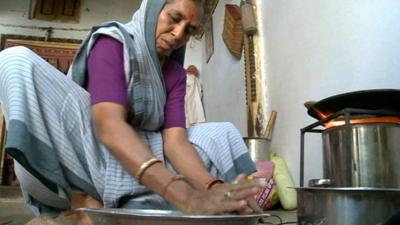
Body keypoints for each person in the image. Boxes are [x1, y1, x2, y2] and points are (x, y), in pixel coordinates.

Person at [0, 0, 263, 223]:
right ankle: (79, 201)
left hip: (142, 151)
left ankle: (128, 200)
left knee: (217, 133)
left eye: (189, 30)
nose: (178, 33)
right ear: (153, 9)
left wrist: (212, 188)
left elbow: (175, 143)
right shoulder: (113, 43)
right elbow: (108, 126)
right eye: (174, 18)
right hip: (89, 149)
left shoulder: (175, 75)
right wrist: (186, 196)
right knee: (16, 60)